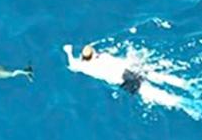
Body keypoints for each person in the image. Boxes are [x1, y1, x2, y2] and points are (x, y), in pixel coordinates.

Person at [62, 43, 195, 111]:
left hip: (124, 81)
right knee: (158, 76)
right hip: (128, 71)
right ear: (94, 53)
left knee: (161, 96)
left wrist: (68, 51)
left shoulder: (85, 68)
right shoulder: (103, 56)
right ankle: (187, 85)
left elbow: (72, 65)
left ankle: (192, 105)